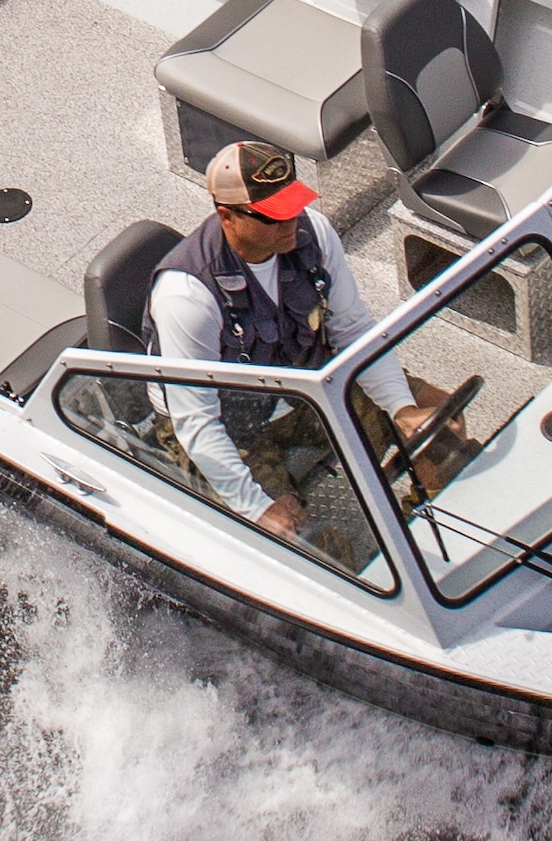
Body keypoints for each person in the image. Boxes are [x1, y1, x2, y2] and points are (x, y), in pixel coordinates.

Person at [147, 141, 465, 542]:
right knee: (301, 542)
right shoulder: (186, 297)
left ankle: (423, 533)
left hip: (307, 386)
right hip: (230, 425)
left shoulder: (312, 231)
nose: (292, 224)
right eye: (275, 218)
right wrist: (258, 506)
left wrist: (401, 408)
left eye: (293, 207)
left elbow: (353, 330)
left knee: (438, 421)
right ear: (227, 216)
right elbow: (197, 421)